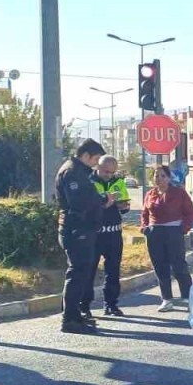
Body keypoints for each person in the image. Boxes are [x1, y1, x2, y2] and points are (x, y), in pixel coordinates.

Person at [55, 139, 109, 334]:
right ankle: (69, 319)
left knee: (81, 274)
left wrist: (101, 201)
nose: (95, 164)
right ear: (85, 155)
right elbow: (78, 203)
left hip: (82, 229)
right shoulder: (72, 173)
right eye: (95, 159)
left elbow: (87, 199)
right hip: (77, 229)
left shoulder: (80, 172)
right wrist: (98, 203)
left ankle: (75, 315)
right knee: (77, 274)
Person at [141, 165, 193, 313]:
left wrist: (182, 229)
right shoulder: (150, 194)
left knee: (179, 265)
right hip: (155, 233)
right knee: (160, 267)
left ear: (169, 178)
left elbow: (190, 213)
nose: (159, 179)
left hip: (174, 232)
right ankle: (166, 299)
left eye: (162, 176)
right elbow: (145, 214)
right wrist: (145, 227)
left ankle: (187, 297)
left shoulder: (179, 193)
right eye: (156, 176)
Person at [83, 155, 131, 317]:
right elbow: (86, 206)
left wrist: (121, 204)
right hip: (94, 234)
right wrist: (104, 203)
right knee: (89, 270)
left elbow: (125, 207)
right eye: (106, 171)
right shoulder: (88, 181)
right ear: (98, 167)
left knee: (113, 271)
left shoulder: (118, 182)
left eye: (112, 172)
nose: (109, 175)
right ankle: (85, 307)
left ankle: (111, 305)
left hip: (114, 232)